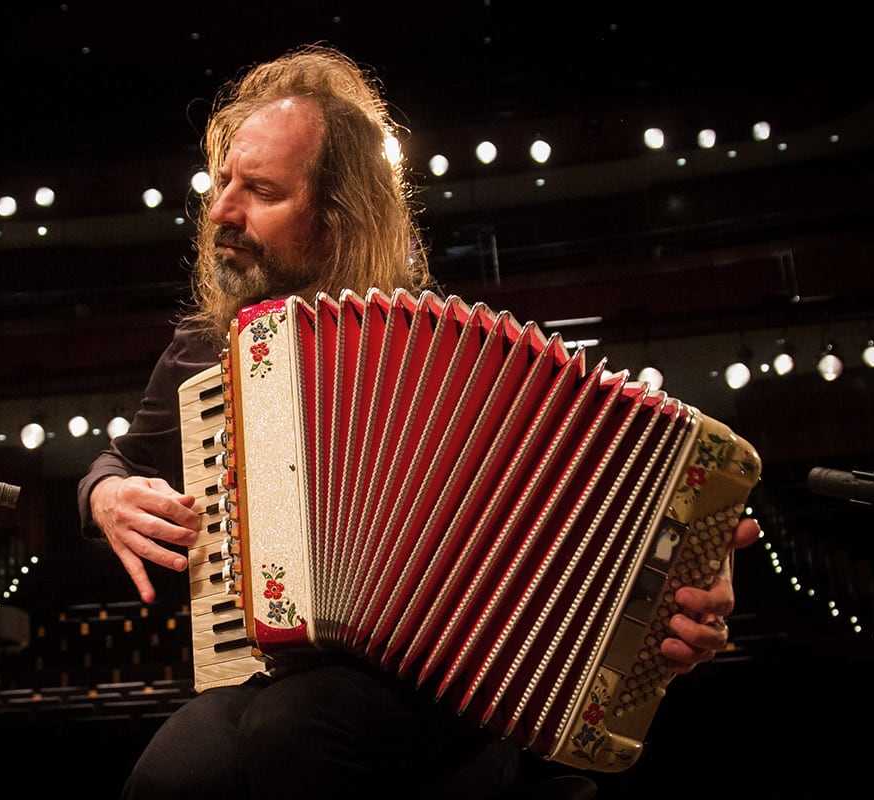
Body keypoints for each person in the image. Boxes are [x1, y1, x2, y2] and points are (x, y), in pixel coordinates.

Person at [78, 44, 760, 800]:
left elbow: (592, 495)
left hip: (456, 702)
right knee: (166, 780)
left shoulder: (449, 352)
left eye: (261, 191)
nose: (222, 212)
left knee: (295, 731)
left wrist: (684, 584)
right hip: (274, 671)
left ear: (336, 220)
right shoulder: (209, 349)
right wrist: (105, 497)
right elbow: (119, 464)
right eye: (224, 183)